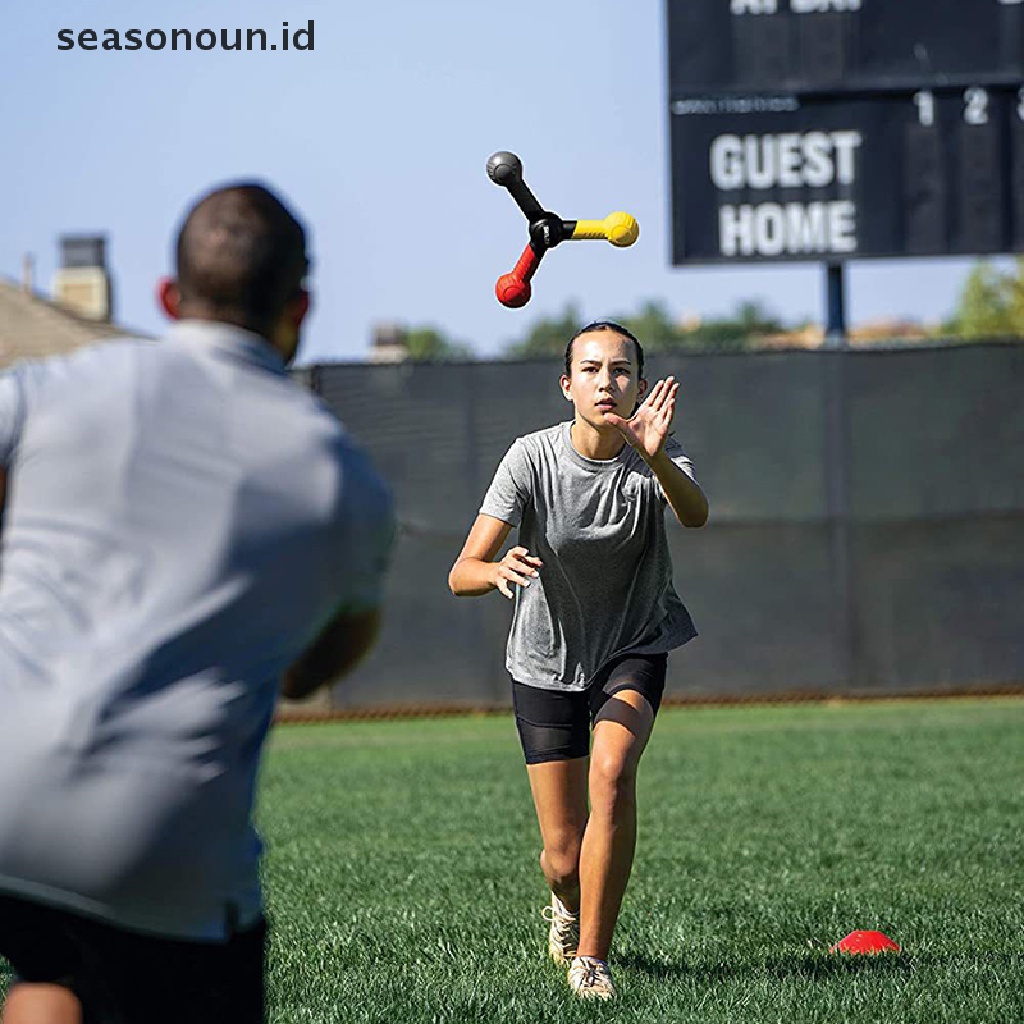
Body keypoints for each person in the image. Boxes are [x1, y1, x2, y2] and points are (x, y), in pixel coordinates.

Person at [0, 183, 394, 1024]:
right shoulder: (340, 477)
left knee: (51, 972)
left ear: (167, 297)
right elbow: (315, 668)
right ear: (301, 308)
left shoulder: (50, 387)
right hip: (157, 840)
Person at [448, 321, 708, 1001]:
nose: (606, 382)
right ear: (567, 385)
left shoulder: (656, 455)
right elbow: (460, 571)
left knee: (614, 774)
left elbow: (697, 514)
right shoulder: (530, 458)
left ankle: (592, 958)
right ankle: (565, 905)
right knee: (562, 855)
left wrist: (654, 457)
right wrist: (495, 566)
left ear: (641, 387)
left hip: (633, 644)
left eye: (621, 371)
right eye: (591, 370)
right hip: (544, 661)